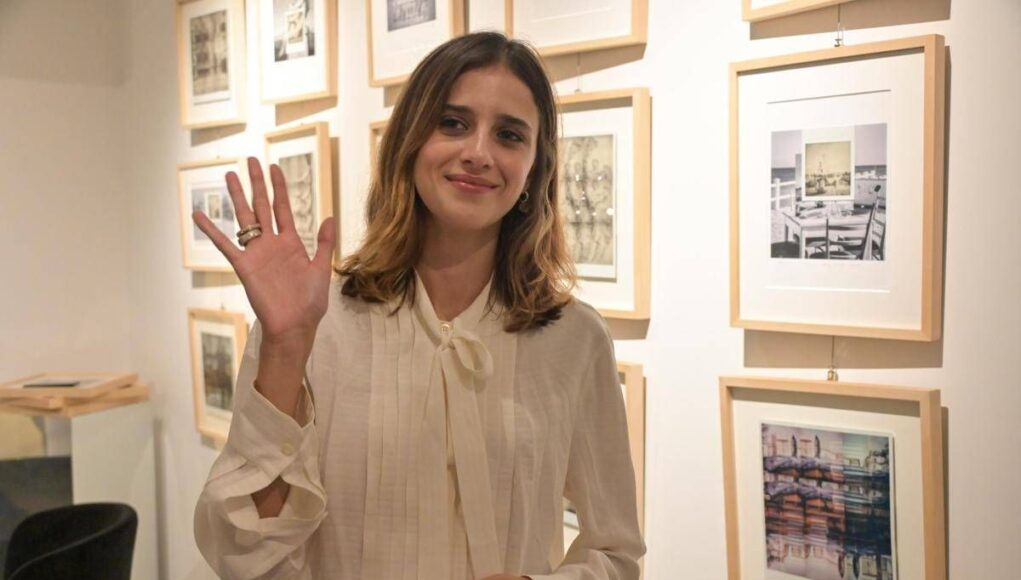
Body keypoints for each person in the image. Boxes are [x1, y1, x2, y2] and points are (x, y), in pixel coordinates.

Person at [192, 31, 644, 580]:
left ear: (534, 168)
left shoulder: (573, 338)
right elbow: (246, 550)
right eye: (452, 123)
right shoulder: (317, 323)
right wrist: (286, 349)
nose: (478, 153)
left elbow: (616, 553)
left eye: (508, 135)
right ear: (410, 142)